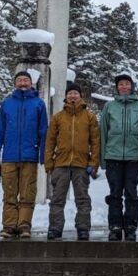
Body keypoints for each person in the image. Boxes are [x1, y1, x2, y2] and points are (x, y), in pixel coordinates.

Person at [0, 70, 48, 239]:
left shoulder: (38, 104)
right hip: (9, 156)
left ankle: (24, 225)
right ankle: (9, 225)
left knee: (27, 193)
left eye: (26, 80)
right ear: (15, 83)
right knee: (9, 193)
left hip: (30, 156)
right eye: (20, 80)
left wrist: (42, 155)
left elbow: (43, 131)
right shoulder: (7, 104)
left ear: (31, 83)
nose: (23, 83)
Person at [43, 81, 100, 241]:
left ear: (80, 96)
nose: (72, 96)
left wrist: (93, 162)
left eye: (75, 93)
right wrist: (49, 162)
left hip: (81, 165)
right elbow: (50, 140)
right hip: (60, 164)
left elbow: (95, 142)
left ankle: (83, 228)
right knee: (57, 199)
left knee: (82, 199)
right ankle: (55, 228)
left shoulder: (89, 117)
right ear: (66, 97)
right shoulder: (58, 117)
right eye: (70, 94)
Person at [99, 73, 138, 242]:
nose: (124, 87)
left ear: (132, 86)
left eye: (127, 84)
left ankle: (130, 227)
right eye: (121, 84)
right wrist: (102, 157)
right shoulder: (109, 107)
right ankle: (114, 226)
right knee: (114, 193)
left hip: (134, 156)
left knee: (131, 193)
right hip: (112, 155)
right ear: (117, 87)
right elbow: (103, 132)